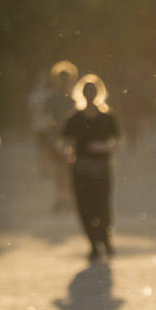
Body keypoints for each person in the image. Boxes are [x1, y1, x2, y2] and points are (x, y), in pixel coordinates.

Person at [62, 74, 119, 261]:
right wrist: (67, 154)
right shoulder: (74, 118)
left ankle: (105, 238)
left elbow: (116, 143)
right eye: (86, 91)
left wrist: (101, 147)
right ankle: (93, 244)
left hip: (101, 168)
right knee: (85, 207)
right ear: (81, 93)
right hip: (80, 169)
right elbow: (65, 142)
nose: (89, 94)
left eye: (93, 91)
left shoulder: (107, 117)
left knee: (102, 206)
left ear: (99, 93)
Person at [45, 60, 79, 211]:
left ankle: (70, 199)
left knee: (70, 169)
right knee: (59, 169)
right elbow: (46, 118)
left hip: (71, 138)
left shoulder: (74, 99)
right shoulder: (51, 99)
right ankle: (59, 199)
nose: (63, 82)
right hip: (56, 138)